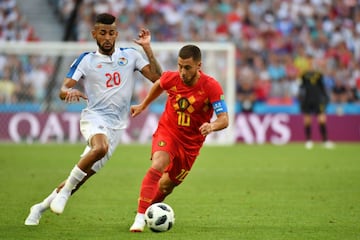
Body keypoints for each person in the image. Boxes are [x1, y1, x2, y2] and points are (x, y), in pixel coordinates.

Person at [24, 13, 162, 225]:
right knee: (99, 148)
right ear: (94, 34)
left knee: (81, 177)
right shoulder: (86, 60)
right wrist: (68, 92)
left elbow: (157, 78)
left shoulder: (131, 55)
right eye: (103, 33)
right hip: (94, 117)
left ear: (116, 34)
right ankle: (63, 194)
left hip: (116, 127)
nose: (108, 37)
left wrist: (148, 49)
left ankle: (40, 207)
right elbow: (63, 88)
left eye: (112, 33)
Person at [129, 44, 229, 232]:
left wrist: (212, 125)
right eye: (180, 66)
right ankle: (140, 217)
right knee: (158, 164)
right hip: (168, 131)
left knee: (166, 186)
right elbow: (159, 83)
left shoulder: (211, 86)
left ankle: (150, 210)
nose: (182, 72)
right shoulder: (173, 77)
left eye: (187, 67)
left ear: (199, 66)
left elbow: (224, 119)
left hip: (190, 144)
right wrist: (143, 105)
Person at [298, 57, 334, 150]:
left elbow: (322, 88)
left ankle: (325, 140)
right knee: (307, 120)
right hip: (307, 100)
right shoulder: (304, 75)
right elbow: (301, 88)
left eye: (312, 62)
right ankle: (308, 140)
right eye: (309, 62)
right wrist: (301, 99)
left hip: (318, 100)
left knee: (322, 120)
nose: (311, 64)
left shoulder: (319, 75)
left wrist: (325, 98)